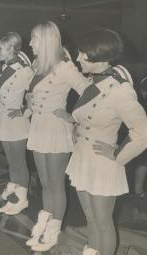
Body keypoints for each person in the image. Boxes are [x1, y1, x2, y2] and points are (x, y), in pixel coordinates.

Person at [66, 28, 147, 255]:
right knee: (90, 219)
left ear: (99, 57)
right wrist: (75, 127)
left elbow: (143, 131)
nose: (78, 58)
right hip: (83, 158)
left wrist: (118, 153)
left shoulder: (120, 90)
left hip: (103, 163)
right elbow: (86, 116)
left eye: (83, 54)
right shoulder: (93, 82)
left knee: (103, 222)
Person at [25, 21, 89, 252]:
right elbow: (32, 93)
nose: (30, 42)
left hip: (55, 128)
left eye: (34, 38)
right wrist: (27, 100)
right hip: (38, 126)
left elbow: (90, 92)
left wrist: (72, 116)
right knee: (44, 183)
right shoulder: (36, 65)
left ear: (46, 41)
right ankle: (44, 224)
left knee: (56, 184)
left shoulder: (64, 67)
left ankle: (54, 231)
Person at [0, 32, 34, 215]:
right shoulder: (5, 67)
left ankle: (22, 199)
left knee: (19, 162)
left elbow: (37, 94)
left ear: (11, 49)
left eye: (0, 48)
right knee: (11, 161)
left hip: (17, 122)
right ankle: (14, 196)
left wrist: (25, 111)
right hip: (4, 118)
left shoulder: (25, 71)